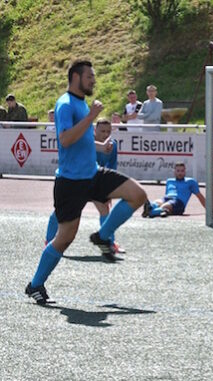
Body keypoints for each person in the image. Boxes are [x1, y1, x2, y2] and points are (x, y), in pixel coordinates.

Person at [25, 60, 148, 305]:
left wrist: (99, 145)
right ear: (75, 77)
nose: (93, 80)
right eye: (89, 77)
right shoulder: (65, 105)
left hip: (92, 174)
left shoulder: (80, 103)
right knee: (64, 238)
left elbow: (81, 138)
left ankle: (103, 236)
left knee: (138, 194)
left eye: (93, 77)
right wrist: (92, 115)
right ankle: (35, 284)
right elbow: (66, 139)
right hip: (70, 183)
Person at [45, 118, 125, 254]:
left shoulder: (113, 145)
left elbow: (112, 166)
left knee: (105, 209)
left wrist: (109, 188)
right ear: (95, 130)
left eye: (108, 131)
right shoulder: (86, 142)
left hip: (95, 181)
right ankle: (48, 241)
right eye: (102, 131)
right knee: (59, 212)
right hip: (76, 180)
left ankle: (109, 243)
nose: (106, 134)